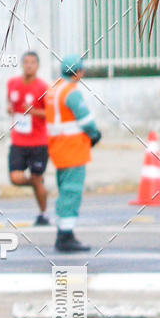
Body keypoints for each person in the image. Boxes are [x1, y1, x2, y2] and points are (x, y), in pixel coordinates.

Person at [45, 54, 102, 253]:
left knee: (64, 190)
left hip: (58, 147)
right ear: (78, 72)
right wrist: (95, 135)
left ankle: (63, 232)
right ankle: (66, 237)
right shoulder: (71, 92)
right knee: (72, 192)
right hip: (73, 149)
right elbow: (85, 120)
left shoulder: (53, 89)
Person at [7, 51, 49, 225]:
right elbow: (10, 103)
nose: (29, 65)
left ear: (38, 66)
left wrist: (32, 111)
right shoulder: (12, 84)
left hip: (38, 142)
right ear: (21, 64)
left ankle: (43, 214)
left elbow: (50, 113)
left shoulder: (43, 88)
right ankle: (36, 183)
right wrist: (9, 109)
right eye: (25, 62)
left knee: (37, 178)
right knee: (15, 178)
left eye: (32, 62)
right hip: (18, 140)